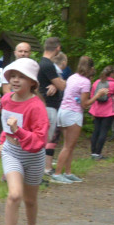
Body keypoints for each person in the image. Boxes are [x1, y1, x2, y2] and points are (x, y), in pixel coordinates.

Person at [0, 58, 48, 225]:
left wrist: (19, 131)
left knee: (30, 201)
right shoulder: (6, 99)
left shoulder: (36, 107)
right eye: (12, 76)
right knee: (14, 195)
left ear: (32, 82)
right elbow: (5, 123)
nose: (15, 80)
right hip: (11, 151)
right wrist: (3, 139)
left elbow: (39, 141)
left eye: (21, 77)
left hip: (33, 156)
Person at [53, 56, 102, 183]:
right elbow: (84, 104)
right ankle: (58, 173)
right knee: (68, 147)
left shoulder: (72, 77)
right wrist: (98, 95)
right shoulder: (85, 82)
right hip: (73, 114)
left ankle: (68, 172)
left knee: (69, 146)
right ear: (91, 68)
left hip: (63, 111)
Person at [36, 37, 66, 174]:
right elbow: (62, 85)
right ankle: (39, 170)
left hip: (44, 104)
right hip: (48, 105)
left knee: (43, 139)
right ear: (58, 48)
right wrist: (58, 83)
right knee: (44, 139)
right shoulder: (48, 65)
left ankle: (39, 169)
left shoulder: (40, 64)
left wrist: (54, 83)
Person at [88, 65, 114, 159]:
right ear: (112, 74)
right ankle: (98, 154)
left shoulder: (96, 83)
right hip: (109, 111)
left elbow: (92, 96)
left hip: (97, 110)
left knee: (96, 131)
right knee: (103, 132)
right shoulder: (113, 84)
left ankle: (93, 152)